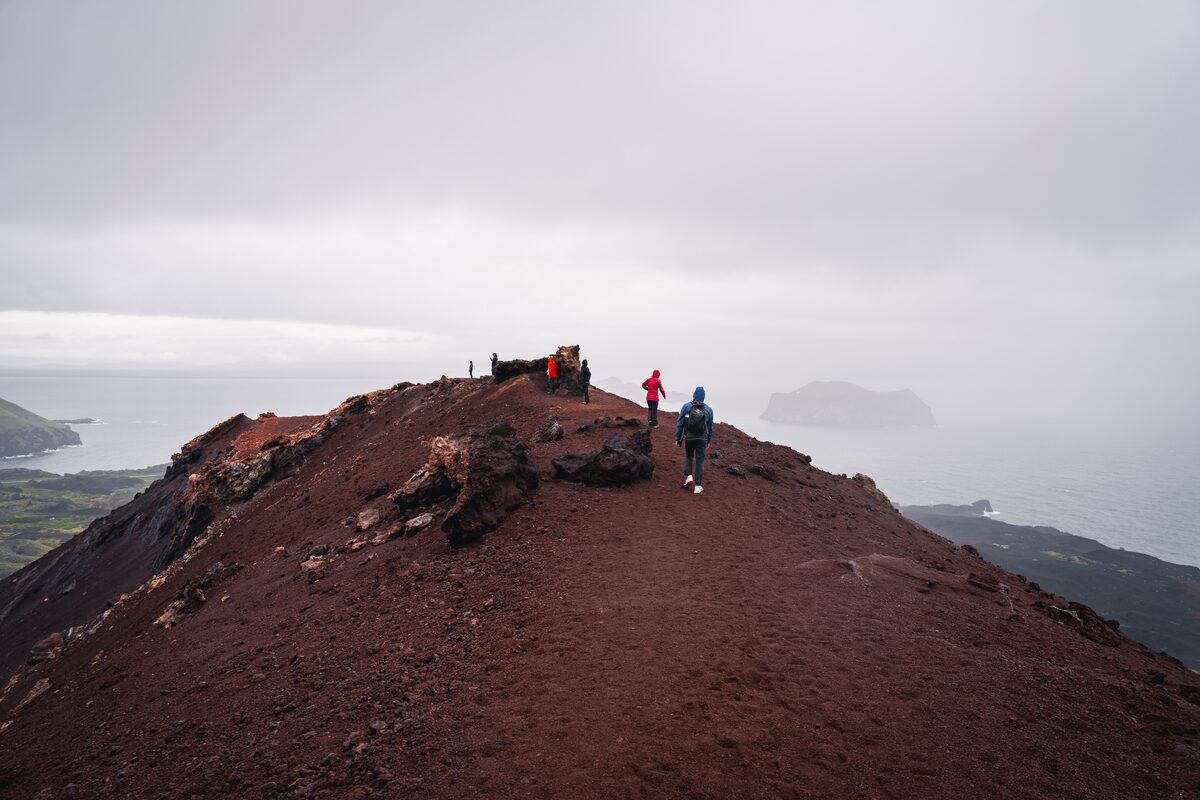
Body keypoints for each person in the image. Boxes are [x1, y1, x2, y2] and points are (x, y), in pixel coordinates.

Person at [675, 386, 714, 495]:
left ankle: (689, 477)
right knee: (700, 460)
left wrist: (677, 438)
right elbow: (710, 428)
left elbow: (680, 423)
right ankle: (697, 487)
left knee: (689, 456)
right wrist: (708, 441)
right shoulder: (709, 410)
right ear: (704, 397)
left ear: (693, 395)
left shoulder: (687, 406)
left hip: (689, 437)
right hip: (702, 438)